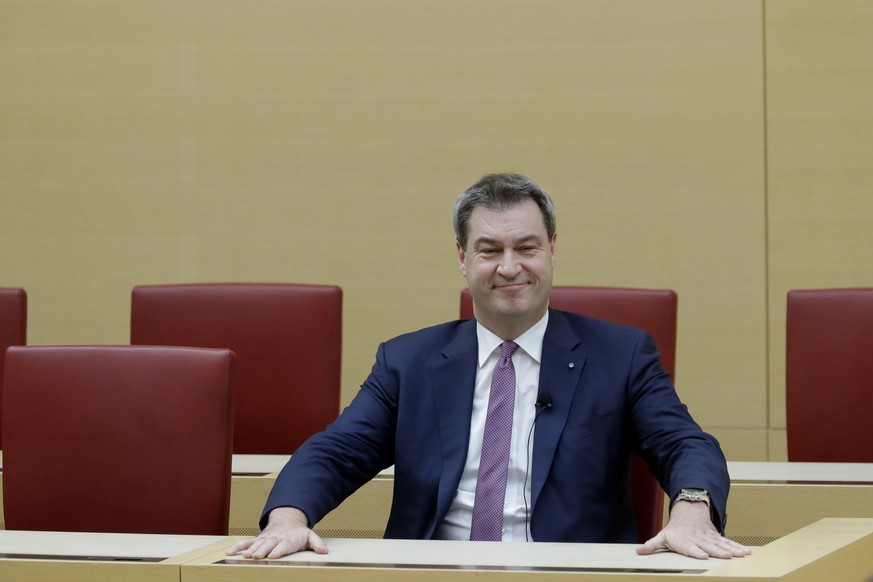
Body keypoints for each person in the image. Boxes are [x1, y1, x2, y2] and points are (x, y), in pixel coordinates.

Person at [227, 172, 751, 561]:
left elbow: (686, 443)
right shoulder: (407, 362)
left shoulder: (621, 356)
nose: (509, 267)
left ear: (552, 251)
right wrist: (289, 516)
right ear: (461, 258)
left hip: (569, 577)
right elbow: (338, 451)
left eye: (526, 247)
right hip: (430, 575)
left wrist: (691, 509)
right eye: (489, 250)